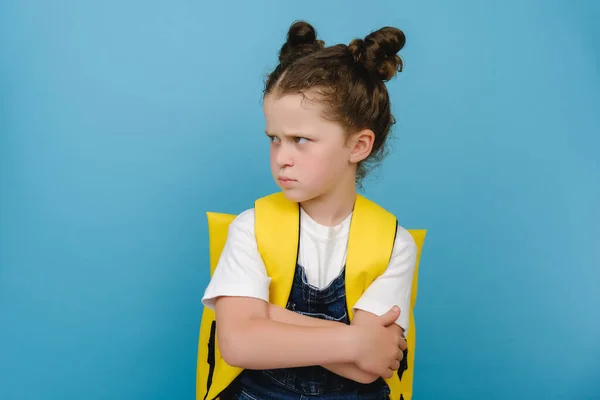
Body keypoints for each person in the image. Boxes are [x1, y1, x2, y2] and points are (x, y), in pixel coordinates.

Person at [201, 20, 417, 400]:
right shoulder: (251, 227)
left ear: (358, 145)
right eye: (274, 139)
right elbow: (239, 346)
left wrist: (270, 316)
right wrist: (356, 341)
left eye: (300, 139)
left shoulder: (393, 242)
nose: (282, 158)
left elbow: (371, 366)